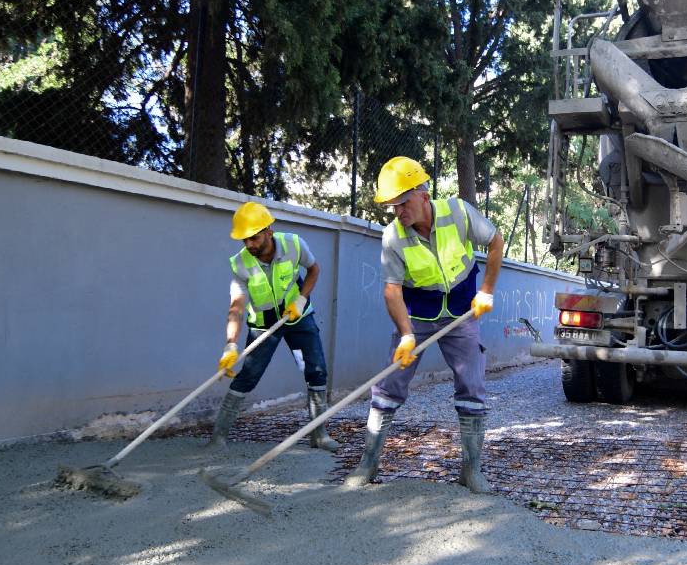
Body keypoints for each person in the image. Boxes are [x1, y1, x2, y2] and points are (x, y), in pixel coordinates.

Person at [344, 156, 505, 493]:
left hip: (462, 312)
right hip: (417, 315)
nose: (398, 212)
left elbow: (495, 242)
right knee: (389, 384)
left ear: (422, 193)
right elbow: (392, 290)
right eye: (392, 206)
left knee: (472, 384)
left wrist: (486, 290)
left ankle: (471, 470)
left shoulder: (458, 213)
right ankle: (368, 464)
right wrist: (405, 335)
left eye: (402, 203)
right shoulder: (393, 236)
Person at [206, 201, 339, 452]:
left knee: (316, 371)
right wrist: (231, 345)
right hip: (264, 326)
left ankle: (319, 435)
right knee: (247, 377)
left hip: (298, 318)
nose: (249, 245)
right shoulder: (240, 263)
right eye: (244, 240)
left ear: (269, 230)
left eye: (254, 238)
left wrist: (300, 299)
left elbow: (313, 270)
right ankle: (218, 437)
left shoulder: (293, 244)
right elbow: (236, 306)